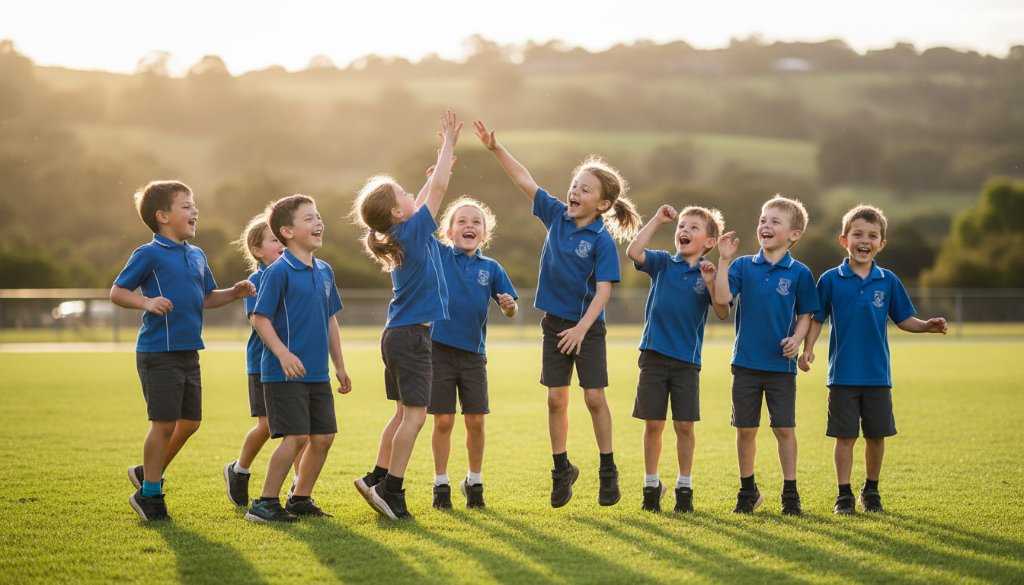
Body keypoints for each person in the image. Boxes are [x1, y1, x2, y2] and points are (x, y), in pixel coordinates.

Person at [474, 120, 641, 508]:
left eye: (585, 189)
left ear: (601, 204)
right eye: (574, 185)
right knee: (555, 400)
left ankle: (607, 469)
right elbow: (524, 180)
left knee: (595, 399)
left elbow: (603, 293)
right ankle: (561, 468)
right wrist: (495, 148)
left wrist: (583, 329)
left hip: (588, 329)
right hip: (555, 326)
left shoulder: (600, 240)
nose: (574, 191)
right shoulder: (555, 215)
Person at [111, 180, 255, 521]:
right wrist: (146, 301)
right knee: (163, 425)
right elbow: (118, 292)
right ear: (162, 216)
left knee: (190, 423)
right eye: (186, 206)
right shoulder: (148, 254)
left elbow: (206, 298)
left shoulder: (197, 254)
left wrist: (233, 293)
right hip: (158, 351)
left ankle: (148, 471)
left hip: (189, 351)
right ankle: (150, 493)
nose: (195, 212)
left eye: (194, 206)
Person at [799, 204, 947, 514]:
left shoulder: (888, 280)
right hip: (842, 375)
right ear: (844, 240)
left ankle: (872, 490)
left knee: (877, 435)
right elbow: (816, 319)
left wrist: (926, 327)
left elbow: (905, 319)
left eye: (872, 235)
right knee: (845, 436)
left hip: (878, 375)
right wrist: (808, 348)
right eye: (858, 234)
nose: (864, 240)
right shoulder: (830, 279)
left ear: (881, 244)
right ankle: (844, 494)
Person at [352, 110, 462, 520]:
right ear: (397, 213)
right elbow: (436, 194)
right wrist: (448, 143)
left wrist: (435, 172)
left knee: (401, 413)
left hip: (396, 335)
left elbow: (421, 200)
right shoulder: (413, 231)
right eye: (401, 193)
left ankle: (377, 477)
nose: (408, 195)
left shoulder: (400, 231)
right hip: (412, 337)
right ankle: (392, 492)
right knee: (415, 417)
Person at [244, 194, 352, 523]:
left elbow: (330, 319)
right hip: (283, 374)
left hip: (318, 373)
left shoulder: (324, 271)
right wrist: (283, 353)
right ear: (287, 231)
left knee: (323, 437)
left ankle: (300, 498)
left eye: (318, 217)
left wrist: (340, 365)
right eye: (309, 218)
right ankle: (263, 504)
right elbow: (259, 318)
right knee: (296, 438)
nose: (318, 223)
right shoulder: (278, 272)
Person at [713, 195, 819, 515]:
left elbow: (807, 314)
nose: (766, 225)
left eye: (775, 221)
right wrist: (723, 260)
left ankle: (790, 493)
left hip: (780, 367)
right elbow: (721, 300)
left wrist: (798, 339)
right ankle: (748, 491)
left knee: (783, 429)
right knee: (746, 429)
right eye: (763, 220)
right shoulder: (743, 265)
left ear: (794, 235)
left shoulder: (799, 272)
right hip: (745, 363)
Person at [625, 204, 729, 513]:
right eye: (681, 226)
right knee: (653, 424)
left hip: (686, 362)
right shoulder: (662, 263)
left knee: (684, 426)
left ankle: (685, 488)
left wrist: (711, 282)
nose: (683, 231)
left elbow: (723, 312)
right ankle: (650, 485)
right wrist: (658, 219)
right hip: (653, 357)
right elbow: (633, 251)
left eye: (693, 227)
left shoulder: (707, 272)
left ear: (709, 242)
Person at [428, 196, 518, 510]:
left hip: (473, 357)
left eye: (476, 222)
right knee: (443, 422)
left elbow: (511, 309)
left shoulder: (491, 268)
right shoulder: (439, 256)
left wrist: (509, 307)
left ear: (484, 233)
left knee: (476, 421)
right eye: (462, 221)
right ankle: (441, 484)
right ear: (449, 232)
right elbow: (419, 224)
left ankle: (474, 481)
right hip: (438, 351)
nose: (469, 226)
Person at [223, 212, 307, 507]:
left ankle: (299, 490)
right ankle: (239, 469)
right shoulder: (256, 281)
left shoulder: (297, 272)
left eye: (281, 238)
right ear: (257, 251)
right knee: (269, 426)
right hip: (264, 365)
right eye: (274, 240)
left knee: (301, 429)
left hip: (296, 364)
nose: (281, 244)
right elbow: (258, 320)